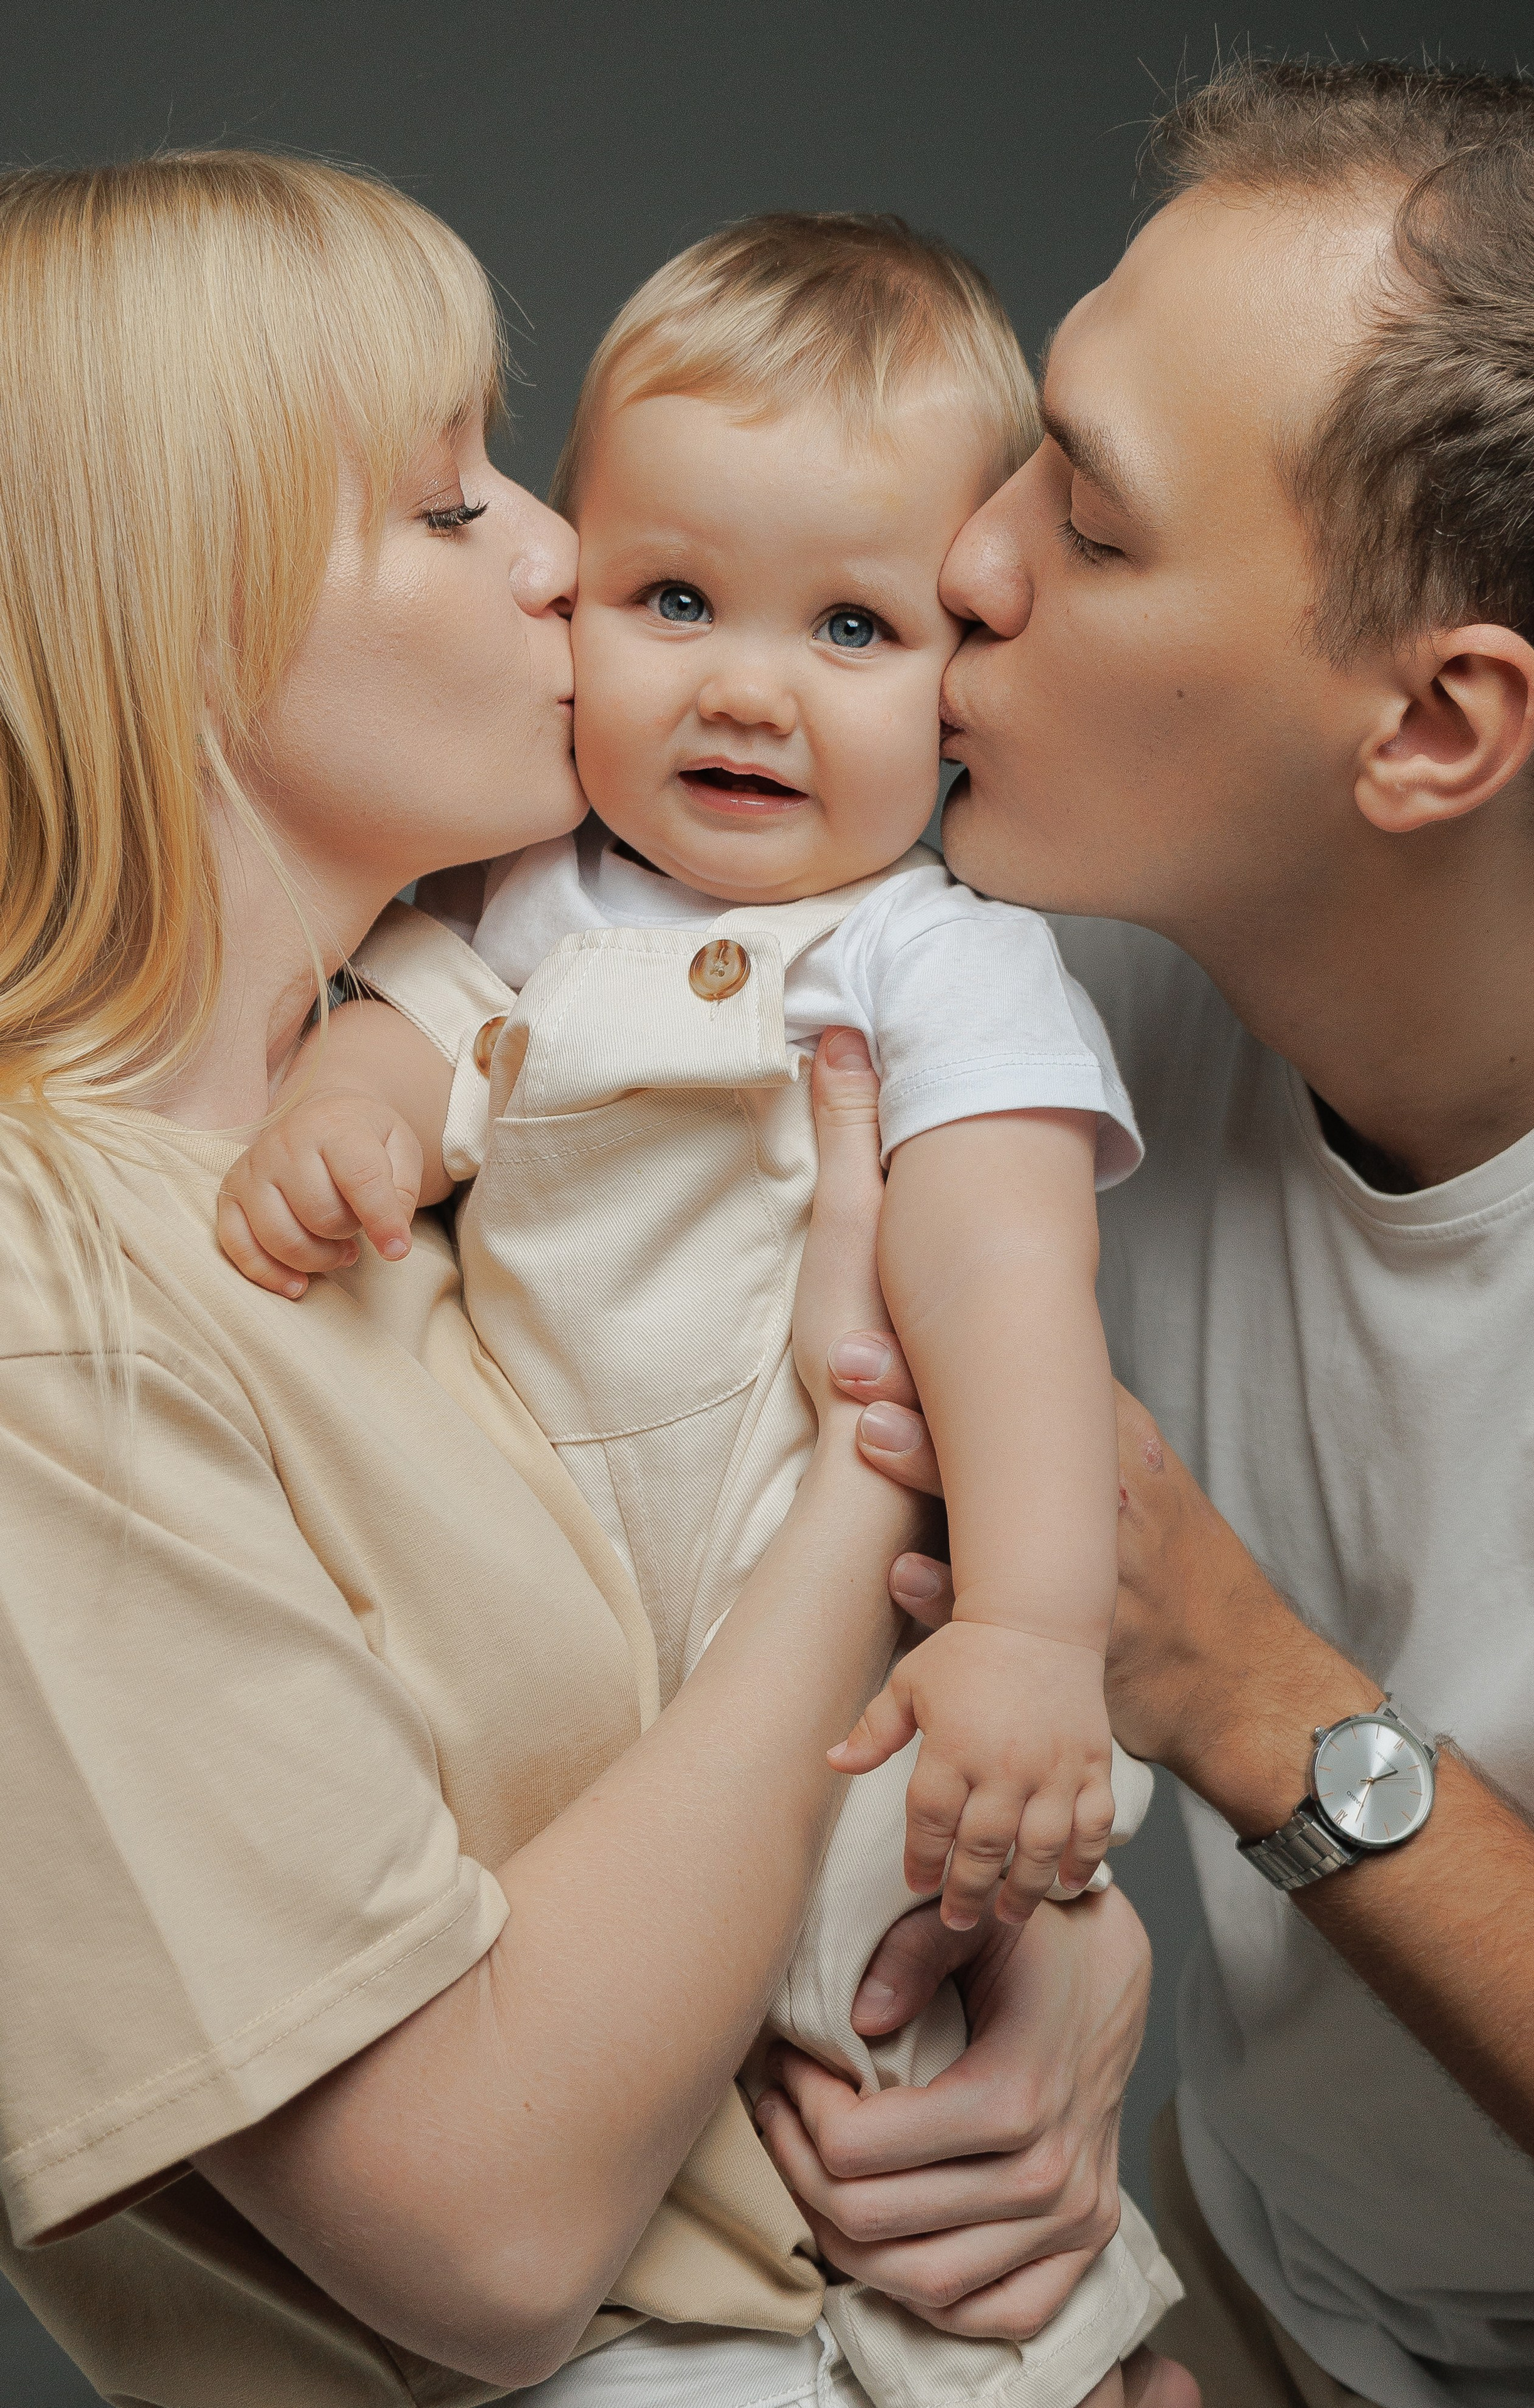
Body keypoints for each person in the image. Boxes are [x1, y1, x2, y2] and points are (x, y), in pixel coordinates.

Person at [0, 153, 1186, 2408]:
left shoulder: (459, 1126)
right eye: (451, 504)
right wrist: (878, 1438)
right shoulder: (51, 1302)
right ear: (178, 600)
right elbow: (488, 2235)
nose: (558, 549)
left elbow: (650, 1756)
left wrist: (1046, 1946)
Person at [821, 53, 1534, 2408]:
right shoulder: (1054, 999)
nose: (963, 564)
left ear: (1436, 728)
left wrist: (1254, 1703)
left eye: (1091, 522)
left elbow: (1197, 1679)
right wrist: (1068, 1948)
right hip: (1224, 2282)